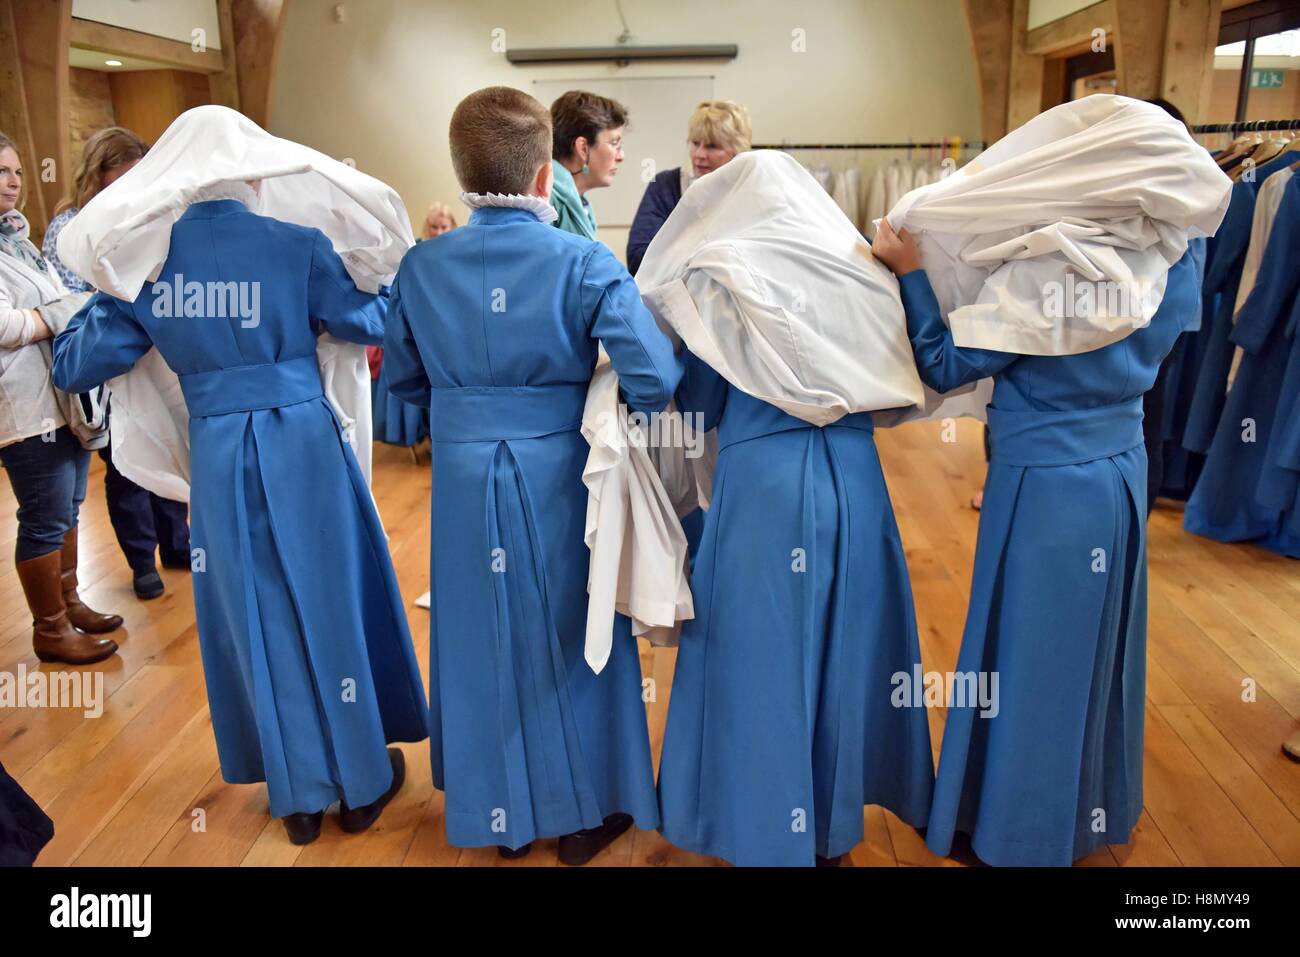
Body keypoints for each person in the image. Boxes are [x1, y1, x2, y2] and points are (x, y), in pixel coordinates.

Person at [50, 113, 428, 846]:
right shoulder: (296, 244)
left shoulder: (148, 266)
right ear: (255, 172)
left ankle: (298, 794)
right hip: (304, 440)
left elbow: (77, 364)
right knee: (329, 598)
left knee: (257, 613)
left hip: (220, 450)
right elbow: (372, 321)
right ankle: (360, 780)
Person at [382, 86, 681, 864]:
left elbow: (403, 389)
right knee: (575, 626)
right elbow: (653, 376)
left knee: (478, 631)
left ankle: (499, 810)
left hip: (458, 475)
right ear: (546, 175)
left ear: (459, 174)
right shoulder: (582, 260)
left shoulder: (420, 267)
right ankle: (584, 814)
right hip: (562, 472)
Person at [871, 217, 1203, 866]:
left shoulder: (1043, 271)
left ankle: (1017, 831)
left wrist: (910, 272)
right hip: (1123, 471)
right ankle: (1087, 810)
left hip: (1047, 484)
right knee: (1097, 651)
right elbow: (1181, 330)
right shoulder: (1175, 257)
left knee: (1029, 655)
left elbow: (943, 362)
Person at [43, 126, 191, 600]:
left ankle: (177, 542)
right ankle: (140, 560)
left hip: (152, 349)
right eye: (119, 176)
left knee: (164, 439)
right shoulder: (70, 226)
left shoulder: (148, 214)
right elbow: (69, 300)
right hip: (105, 348)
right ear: (97, 173)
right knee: (124, 459)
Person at [0, 130, 121, 666]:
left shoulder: (18, 241)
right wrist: (55, 317)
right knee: (44, 514)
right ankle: (49, 630)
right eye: (1, 172)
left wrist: (57, 314)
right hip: (22, 405)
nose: (13, 182)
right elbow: (6, 324)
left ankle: (70, 602)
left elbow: (61, 302)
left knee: (69, 504)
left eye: (18, 172)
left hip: (59, 395)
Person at [626, 99, 752, 276]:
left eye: (712, 146)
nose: (699, 155)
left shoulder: (751, 191)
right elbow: (637, 258)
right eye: (695, 143)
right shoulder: (665, 186)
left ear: (737, 151)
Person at [547, 90, 626, 240]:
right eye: (614, 143)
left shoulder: (576, 201)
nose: (621, 156)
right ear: (583, 148)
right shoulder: (547, 198)